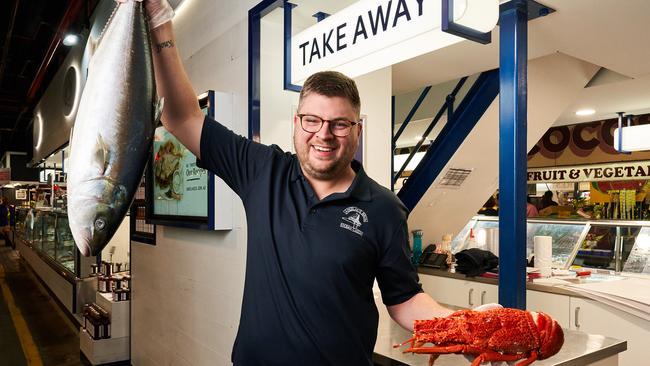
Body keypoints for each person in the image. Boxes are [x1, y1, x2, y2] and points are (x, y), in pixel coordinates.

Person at [129, 1, 501, 364]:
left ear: (357, 130)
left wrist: (461, 328)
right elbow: (181, 118)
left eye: (339, 123)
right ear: (296, 122)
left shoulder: (384, 208)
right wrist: (161, 21)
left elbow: (403, 300)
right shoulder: (263, 171)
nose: (324, 135)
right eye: (312, 120)